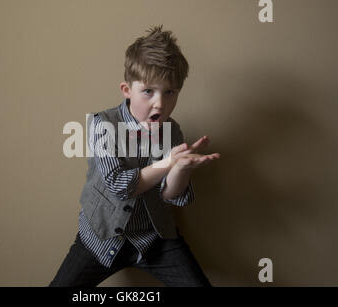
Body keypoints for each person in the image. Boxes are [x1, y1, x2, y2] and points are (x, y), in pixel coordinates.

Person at [49, 25, 220, 287]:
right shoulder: (102, 124)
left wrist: (181, 169)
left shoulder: (171, 131)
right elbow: (119, 185)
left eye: (170, 92)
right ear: (127, 89)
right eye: (149, 91)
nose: (160, 103)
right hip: (100, 237)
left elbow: (171, 196)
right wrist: (168, 163)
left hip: (155, 239)